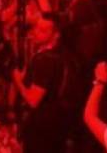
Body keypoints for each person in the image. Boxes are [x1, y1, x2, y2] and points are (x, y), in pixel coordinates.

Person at [12, 14, 69, 153]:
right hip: (53, 123)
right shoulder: (51, 55)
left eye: (43, 30)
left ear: (56, 35)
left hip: (43, 126)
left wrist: (18, 81)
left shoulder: (45, 60)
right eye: (36, 28)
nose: (36, 33)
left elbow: (33, 100)